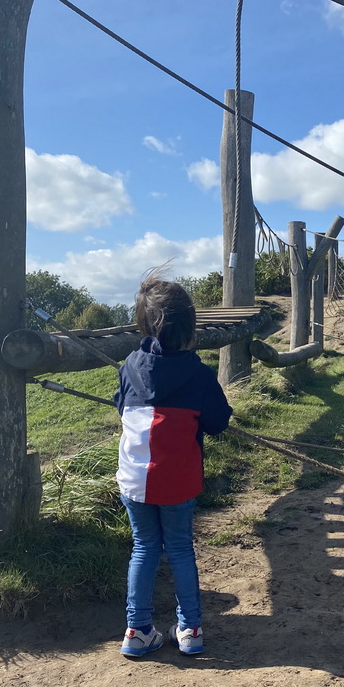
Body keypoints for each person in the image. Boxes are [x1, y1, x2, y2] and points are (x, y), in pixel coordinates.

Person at [114, 269, 232, 658]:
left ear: (143, 323)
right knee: (180, 548)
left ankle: (137, 630)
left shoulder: (129, 365)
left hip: (135, 477)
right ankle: (190, 629)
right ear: (190, 327)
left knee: (144, 547)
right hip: (178, 479)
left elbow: (120, 406)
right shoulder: (198, 374)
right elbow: (217, 422)